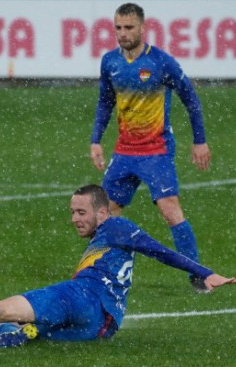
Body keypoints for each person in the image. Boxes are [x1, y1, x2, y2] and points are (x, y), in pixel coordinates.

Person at [0, 184, 236, 348]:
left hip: (80, 295)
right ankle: (30, 333)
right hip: (102, 326)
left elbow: (162, 251)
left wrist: (205, 272)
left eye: (80, 212)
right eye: (71, 212)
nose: (74, 218)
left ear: (102, 212)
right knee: (8, 330)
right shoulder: (110, 235)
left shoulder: (116, 225)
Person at [89, 3, 211, 292]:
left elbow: (190, 99)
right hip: (123, 152)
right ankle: (103, 272)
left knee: (170, 211)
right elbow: (105, 102)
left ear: (143, 28)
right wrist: (96, 140)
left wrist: (199, 140)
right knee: (106, 213)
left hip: (156, 152)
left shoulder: (161, 62)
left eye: (129, 27)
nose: (123, 33)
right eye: (118, 27)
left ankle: (197, 273)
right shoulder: (110, 62)